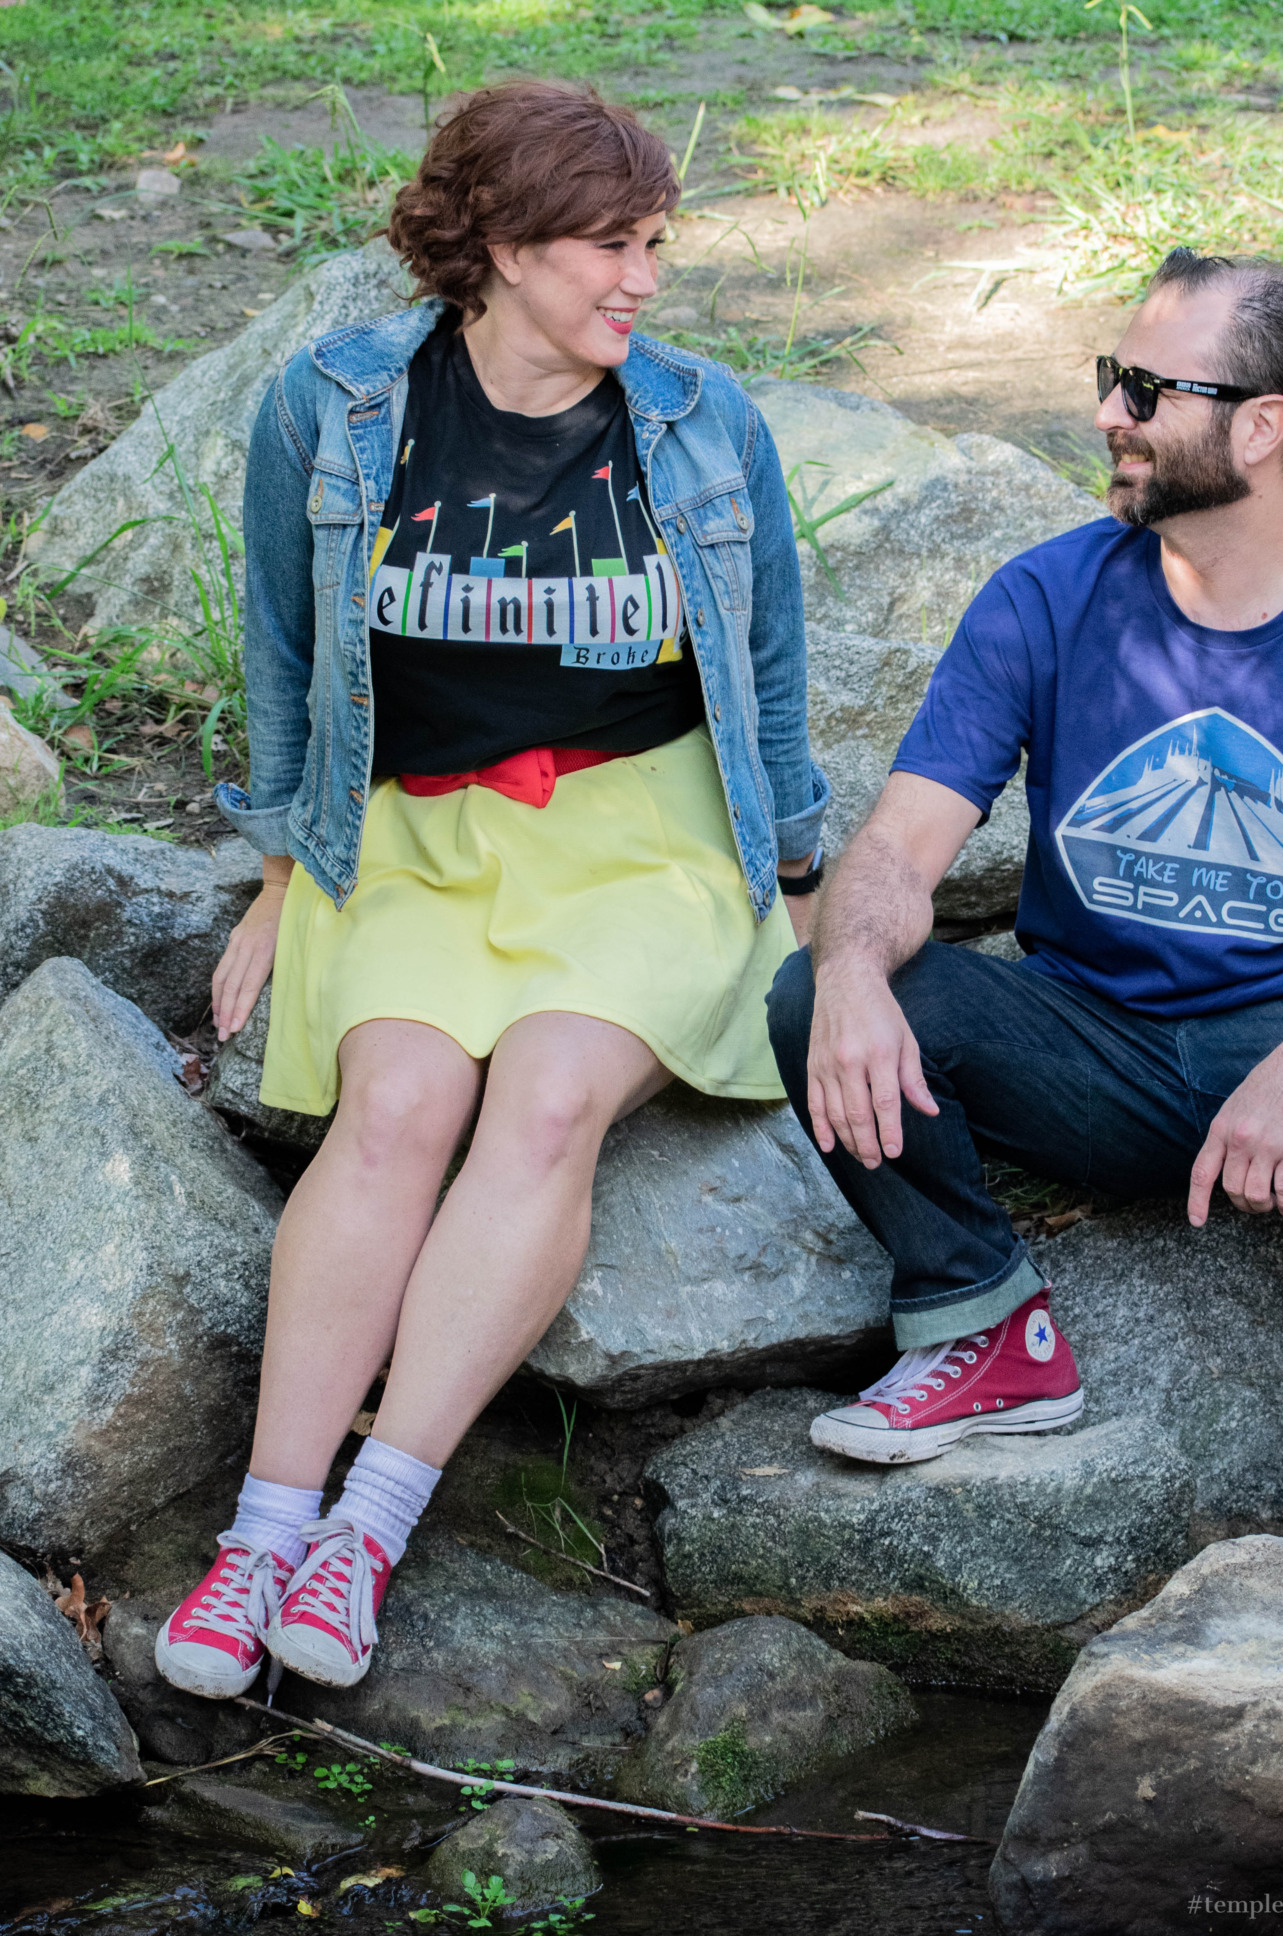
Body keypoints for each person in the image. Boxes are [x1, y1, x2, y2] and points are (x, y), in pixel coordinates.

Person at [156, 81, 827, 1701]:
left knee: (535, 1105)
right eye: (611, 244)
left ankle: (368, 1525)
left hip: (646, 833)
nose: (643, 280)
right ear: (503, 247)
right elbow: (285, 651)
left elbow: (773, 662)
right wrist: (278, 871)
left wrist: (789, 888)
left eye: (655, 242)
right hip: (418, 832)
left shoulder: (698, 419)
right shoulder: (332, 406)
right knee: (392, 1109)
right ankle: (261, 1532)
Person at [768, 246, 1283, 1565]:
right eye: (1109, 378)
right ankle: (979, 1325)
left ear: (1259, 426)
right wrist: (846, 971)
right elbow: (901, 848)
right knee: (817, 991)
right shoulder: (1043, 598)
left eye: (1144, 388)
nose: (1106, 414)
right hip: (1083, 1045)